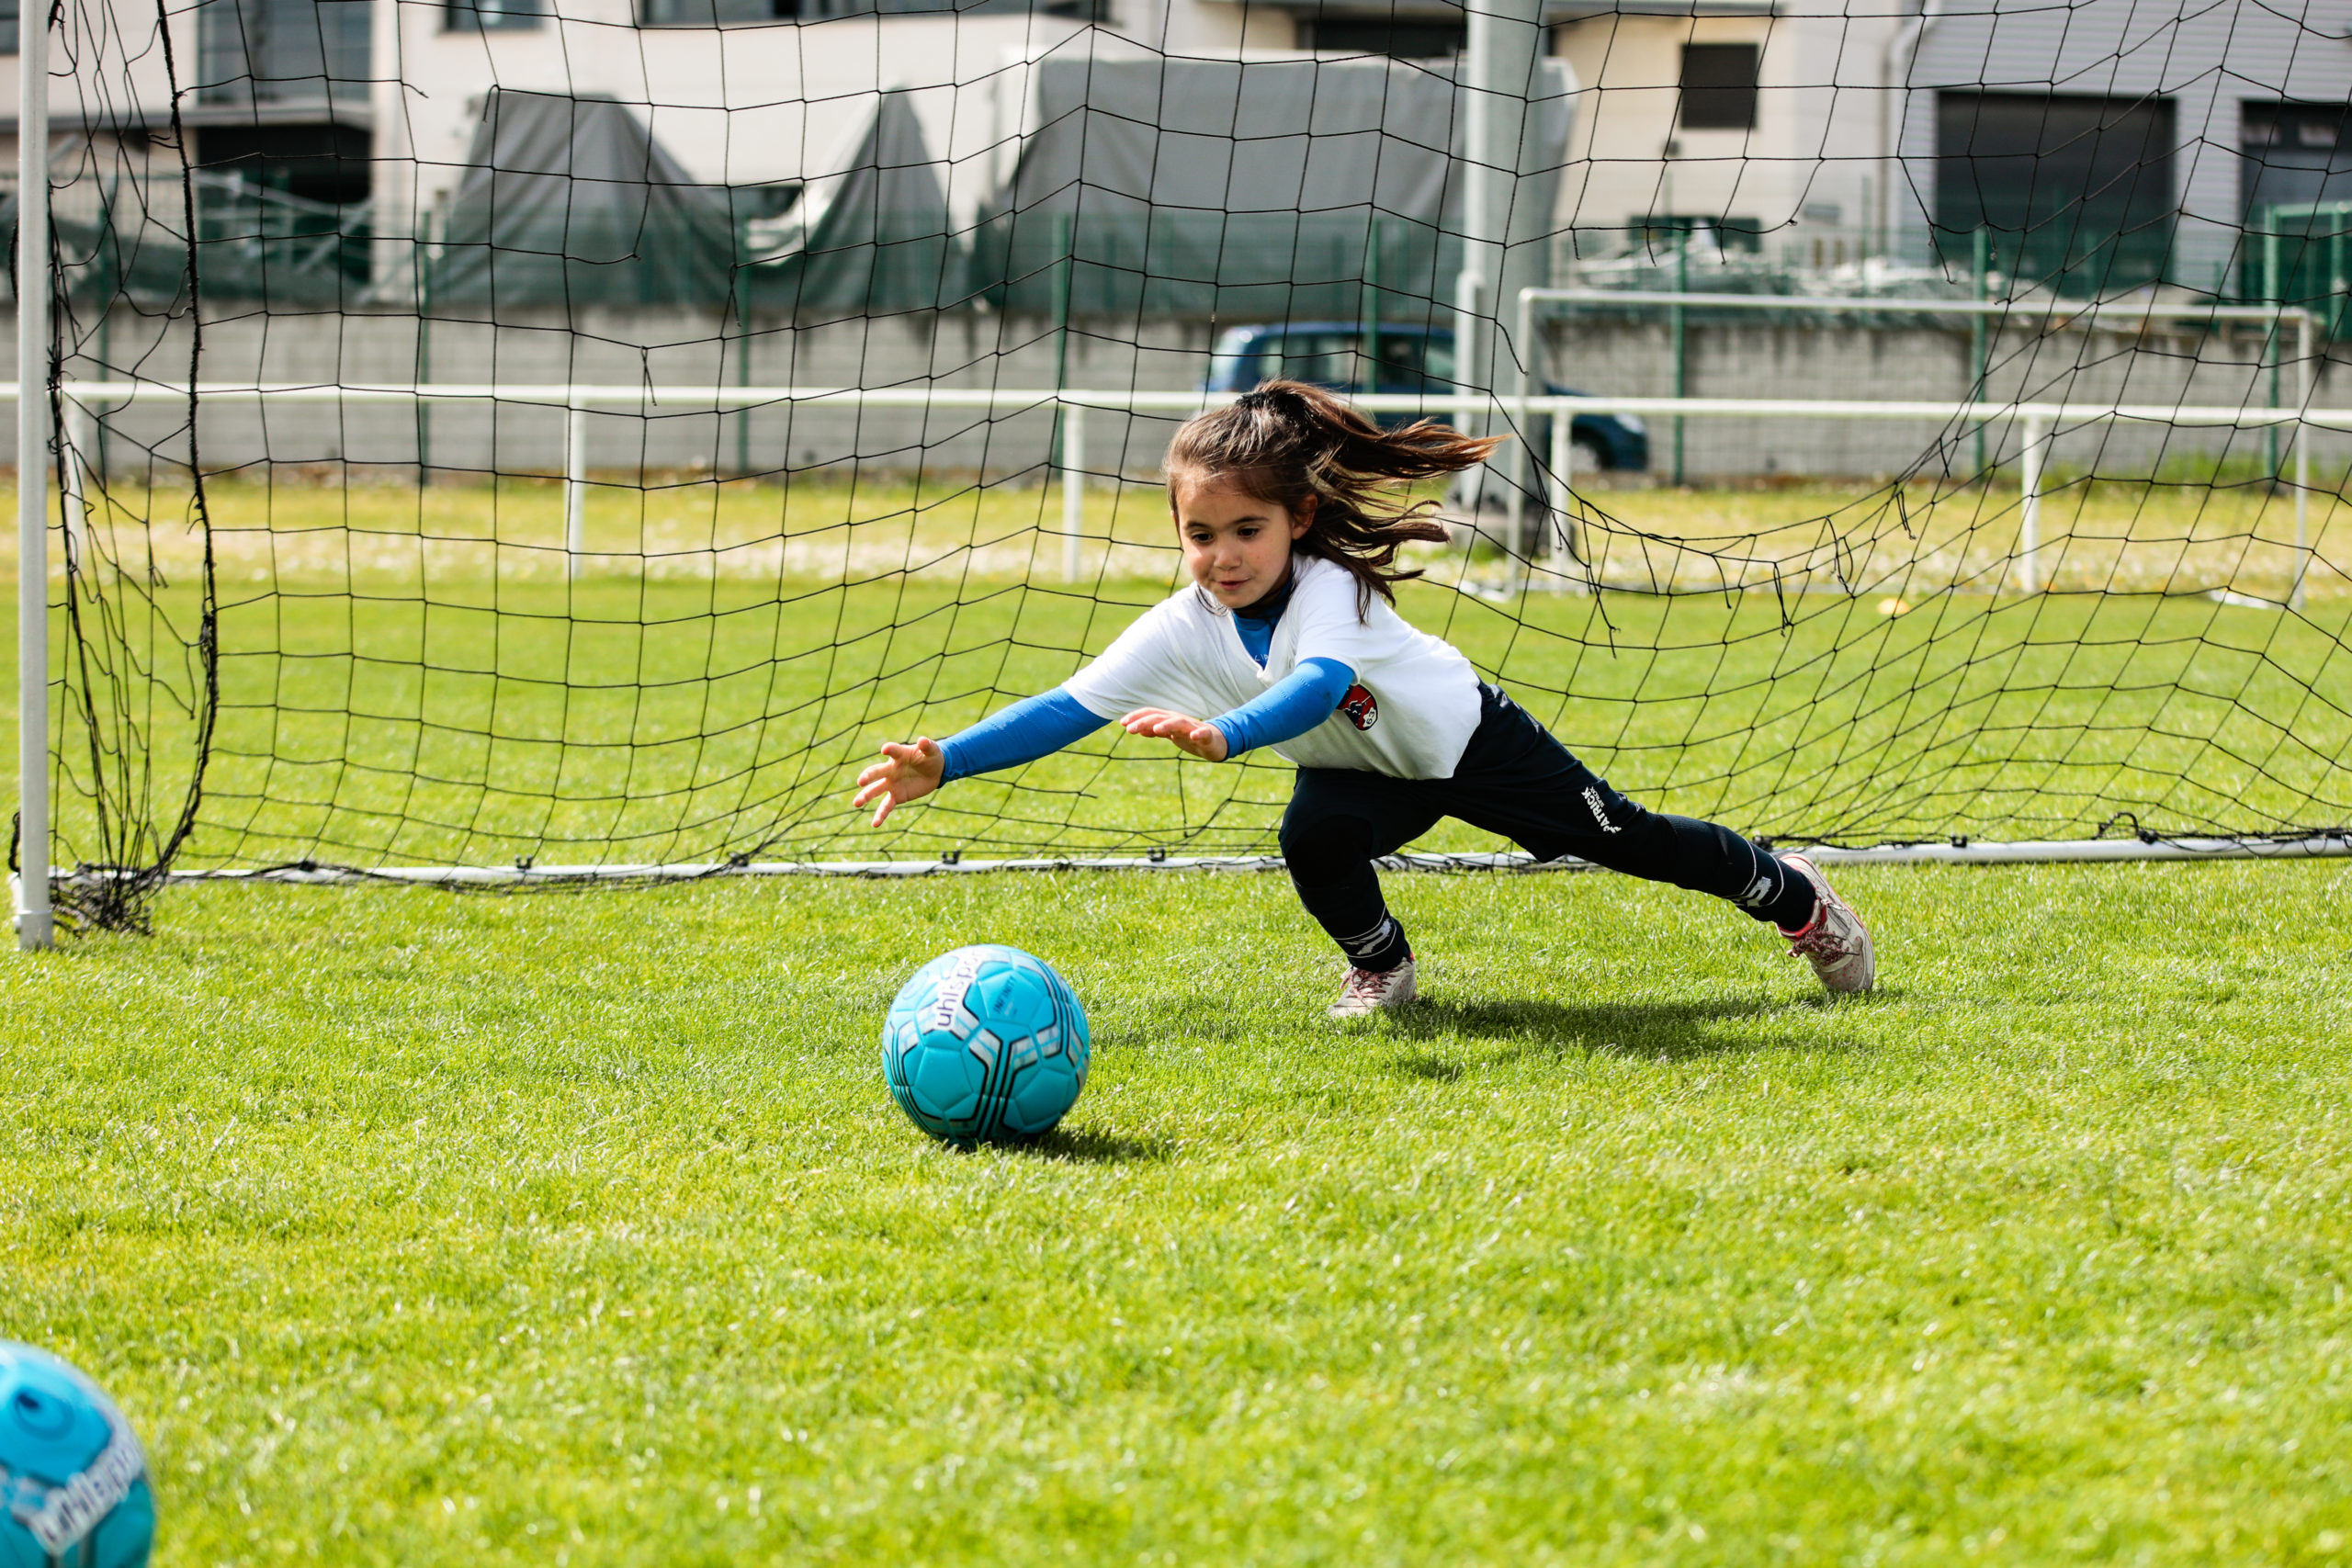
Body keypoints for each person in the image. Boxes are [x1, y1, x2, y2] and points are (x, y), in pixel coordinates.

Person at [851, 380, 1874, 1018]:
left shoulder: (1333, 586)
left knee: (1626, 840)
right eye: (1200, 535)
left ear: (1297, 518)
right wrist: (949, 758)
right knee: (1313, 838)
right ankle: (1381, 967)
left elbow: (1320, 686)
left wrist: (1227, 733)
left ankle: (1794, 896)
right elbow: (1066, 705)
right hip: (1361, 774)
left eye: (1245, 531)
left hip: (1468, 744)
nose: (1221, 555)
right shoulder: (1179, 623)